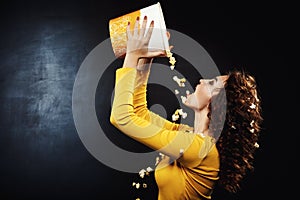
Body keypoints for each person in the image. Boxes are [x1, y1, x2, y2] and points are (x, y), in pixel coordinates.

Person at [110, 16, 263, 200]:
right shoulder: (190, 136)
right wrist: (145, 58)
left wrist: (133, 55)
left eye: (212, 82)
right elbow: (140, 113)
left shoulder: (199, 149)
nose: (202, 81)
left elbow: (121, 117)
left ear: (217, 104)